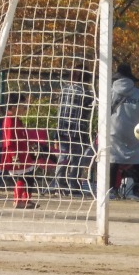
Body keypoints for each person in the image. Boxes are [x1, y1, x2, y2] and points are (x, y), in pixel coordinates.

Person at [109, 63, 139, 198]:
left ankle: (111, 190)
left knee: (113, 159)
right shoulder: (138, 93)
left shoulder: (111, 91)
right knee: (137, 161)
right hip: (134, 132)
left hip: (114, 129)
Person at [53, 69, 95, 197]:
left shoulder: (65, 89)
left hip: (62, 129)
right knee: (76, 158)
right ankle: (74, 185)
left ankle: (59, 184)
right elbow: (89, 109)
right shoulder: (86, 93)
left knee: (63, 156)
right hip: (78, 130)